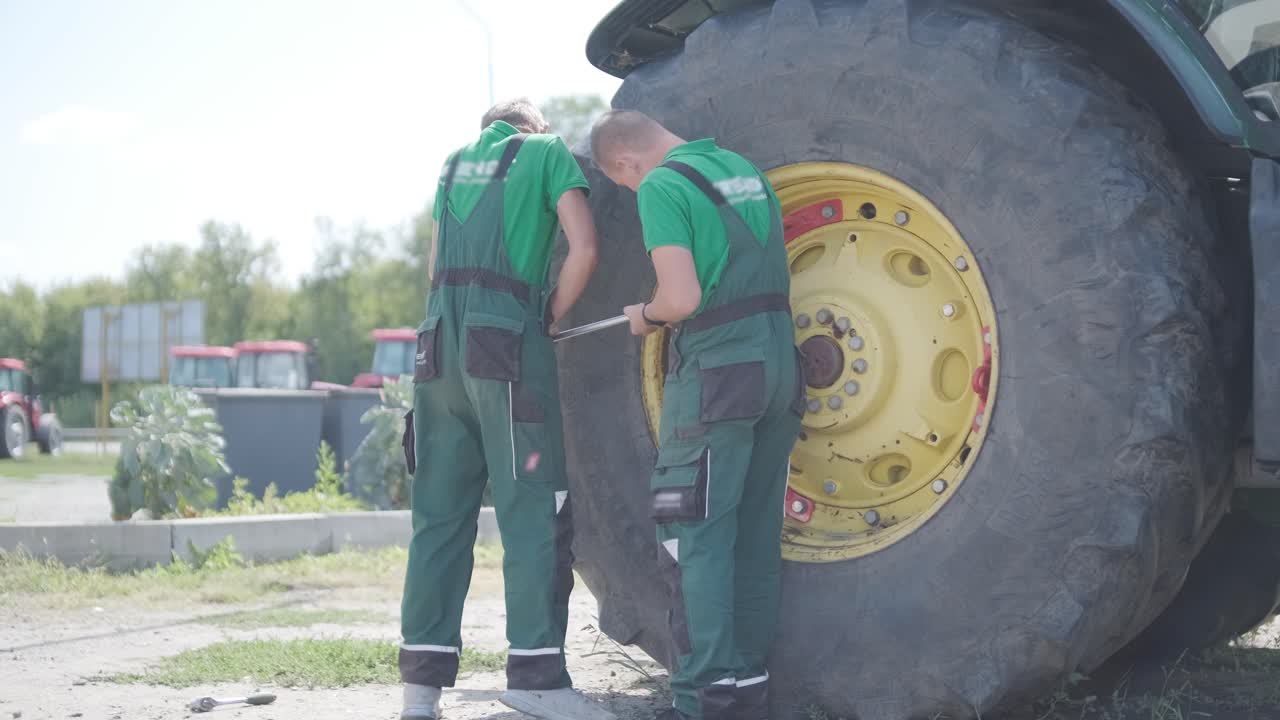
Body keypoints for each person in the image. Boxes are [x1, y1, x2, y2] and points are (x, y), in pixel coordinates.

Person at [400, 98, 612, 720]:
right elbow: (586, 249)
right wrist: (545, 313)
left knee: (438, 518)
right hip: (506, 349)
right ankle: (538, 679)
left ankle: (420, 691)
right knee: (533, 511)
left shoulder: (452, 164)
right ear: (536, 128)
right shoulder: (547, 154)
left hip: (436, 352)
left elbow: (437, 266)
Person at [589, 111, 803, 720]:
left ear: (627, 163)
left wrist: (646, 314)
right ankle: (746, 691)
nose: (633, 192)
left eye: (624, 184)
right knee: (754, 537)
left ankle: (702, 700)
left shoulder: (661, 184)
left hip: (718, 375)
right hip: (780, 369)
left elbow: (681, 298)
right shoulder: (742, 170)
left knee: (692, 538)